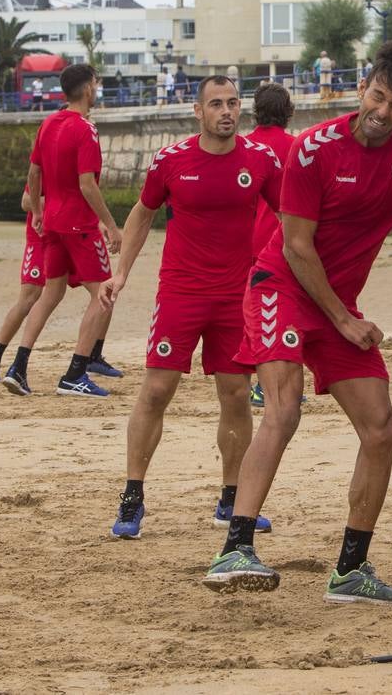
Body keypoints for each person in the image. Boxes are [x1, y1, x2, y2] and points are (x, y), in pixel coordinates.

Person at [200, 41, 392, 600]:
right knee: (284, 407)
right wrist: (345, 319)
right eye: (377, 96)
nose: (383, 112)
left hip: (338, 306)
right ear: (361, 87)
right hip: (282, 287)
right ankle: (236, 547)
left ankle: (351, 571)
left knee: (383, 431)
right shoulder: (311, 149)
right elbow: (297, 248)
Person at [100, 75, 283, 539]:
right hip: (180, 292)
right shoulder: (172, 161)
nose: (226, 111)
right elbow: (142, 213)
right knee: (157, 391)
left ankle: (230, 498)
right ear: (197, 112)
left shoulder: (260, 161)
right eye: (216, 104)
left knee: (236, 395)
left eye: (233, 103)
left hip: (235, 297)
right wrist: (120, 273)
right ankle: (133, 497)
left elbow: (292, 217)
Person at [1, 64, 123, 398]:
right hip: (79, 226)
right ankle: (75, 371)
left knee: (50, 295)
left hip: (52, 223)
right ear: (87, 89)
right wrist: (111, 225)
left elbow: (33, 173)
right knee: (104, 295)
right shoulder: (85, 129)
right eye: (96, 85)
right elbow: (87, 185)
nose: (97, 90)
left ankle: (18, 367)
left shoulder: (49, 122)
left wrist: (39, 212)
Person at [0, 189, 120, 384]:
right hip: (43, 235)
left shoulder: (77, 167)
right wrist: (62, 201)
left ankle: (93, 356)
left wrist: (96, 219)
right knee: (30, 297)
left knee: (103, 290)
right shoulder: (45, 165)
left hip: (71, 231)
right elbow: (26, 201)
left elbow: (85, 195)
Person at [246, 81, 298, 409]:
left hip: (247, 243)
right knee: (288, 315)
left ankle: (257, 382)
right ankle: (272, 386)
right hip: (284, 242)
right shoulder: (296, 147)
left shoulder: (244, 146)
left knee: (253, 317)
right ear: (288, 112)